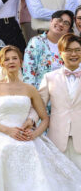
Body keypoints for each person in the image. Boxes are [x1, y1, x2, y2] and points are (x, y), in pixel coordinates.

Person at [0, 45, 81, 191]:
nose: (11, 62)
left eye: (15, 58)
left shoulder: (30, 89)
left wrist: (35, 134)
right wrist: (8, 131)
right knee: (3, 152)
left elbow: (45, 118)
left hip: (27, 137)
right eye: (7, 59)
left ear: (21, 62)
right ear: (2, 63)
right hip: (1, 135)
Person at [28, 33, 81, 170]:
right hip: (57, 137)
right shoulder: (49, 77)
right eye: (68, 50)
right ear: (60, 53)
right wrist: (30, 121)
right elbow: (39, 105)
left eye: (77, 50)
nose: (73, 54)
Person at [23, 10, 74, 89]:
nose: (61, 24)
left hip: (63, 94)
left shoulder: (69, 47)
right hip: (40, 93)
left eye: (66, 23)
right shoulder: (36, 42)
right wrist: (33, 96)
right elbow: (28, 72)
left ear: (68, 30)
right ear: (51, 20)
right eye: (59, 20)